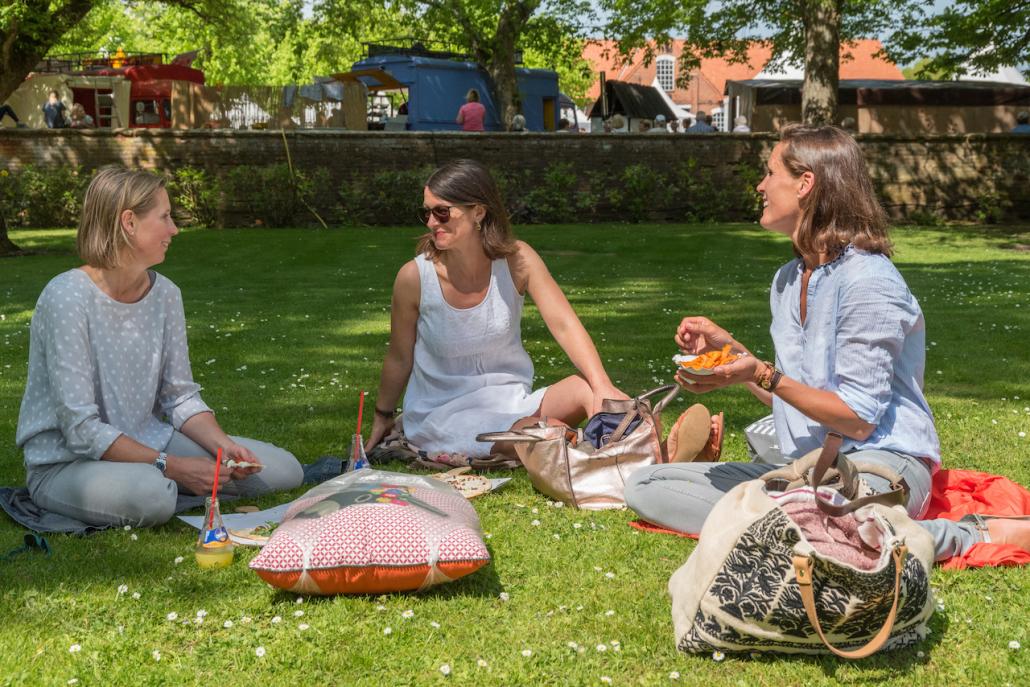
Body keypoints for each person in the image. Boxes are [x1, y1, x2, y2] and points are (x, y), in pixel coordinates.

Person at [624, 124, 1030, 560]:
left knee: (838, 528)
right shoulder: (786, 280)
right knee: (646, 486)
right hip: (807, 471)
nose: (760, 185)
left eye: (769, 173)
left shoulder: (869, 280)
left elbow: (856, 420)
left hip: (879, 465)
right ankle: (794, 515)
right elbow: (798, 398)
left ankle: (962, 534)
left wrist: (760, 371)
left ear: (805, 183)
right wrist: (730, 360)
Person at [15, 167, 303, 528]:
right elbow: (81, 429)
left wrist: (222, 445)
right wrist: (175, 467)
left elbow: (179, 397)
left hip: (150, 445)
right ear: (129, 222)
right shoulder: (67, 298)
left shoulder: (166, 294)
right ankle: (161, 481)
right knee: (154, 496)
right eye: (165, 217)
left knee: (283, 472)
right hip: (67, 462)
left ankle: (165, 477)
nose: (174, 229)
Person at [365, 159, 627, 457]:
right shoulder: (414, 278)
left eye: (442, 211)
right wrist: (383, 416)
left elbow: (564, 325)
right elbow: (399, 357)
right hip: (443, 415)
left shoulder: (518, 261)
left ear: (478, 211)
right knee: (547, 433)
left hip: (511, 401)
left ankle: (635, 451)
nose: (431, 222)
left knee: (594, 392)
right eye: (426, 212)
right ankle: (604, 452)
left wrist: (603, 385)